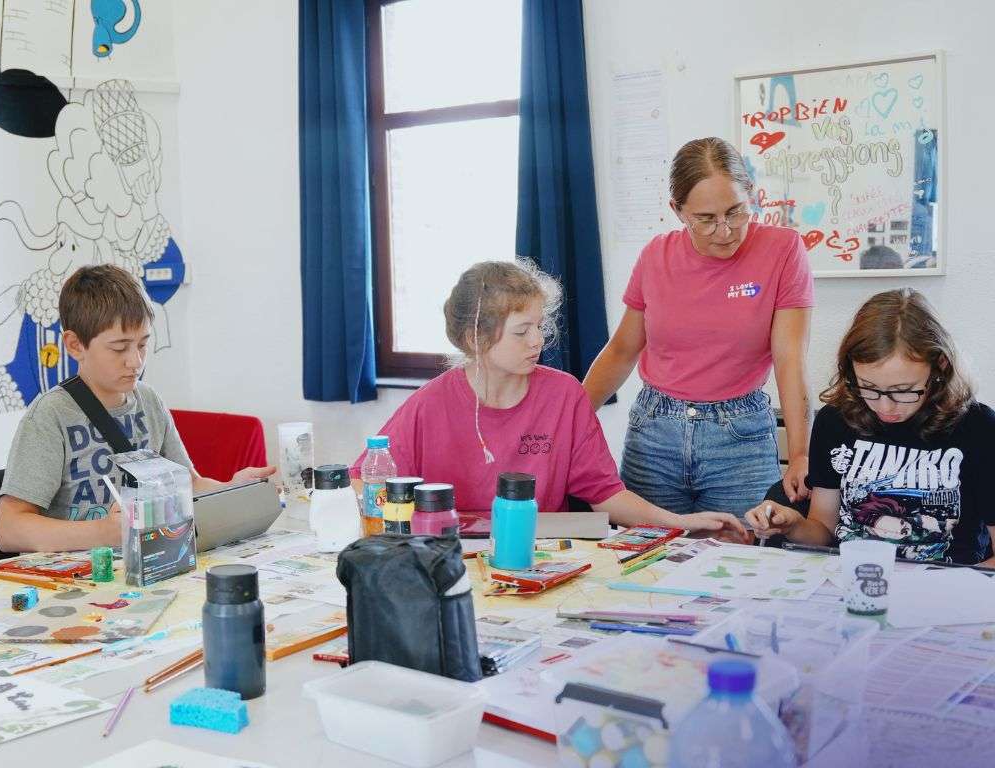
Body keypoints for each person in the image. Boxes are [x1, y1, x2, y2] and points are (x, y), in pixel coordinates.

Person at [351, 260, 748, 537]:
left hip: (542, 557)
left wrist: (679, 522)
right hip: (453, 558)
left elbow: (605, 494)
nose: (539, 340)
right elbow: (362, 482)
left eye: (540, 326)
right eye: (522, 331)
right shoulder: (430, 404)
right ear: (476, 338)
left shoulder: (564, 394)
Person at [582, 137, 814, 518]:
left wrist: (802, 453)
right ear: (678, 211)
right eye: (705, 219)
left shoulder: (783, 250)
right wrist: (566, 422)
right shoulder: (656, 255)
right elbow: (622, 350)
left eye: (736, 211)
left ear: (751, 196)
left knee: (744, 561)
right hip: (654, 434)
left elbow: (790, 358)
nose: (725, 230)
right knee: (650, 558)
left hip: (740, 438)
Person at [0, 264, 275, 553]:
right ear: (75, 345)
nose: (136, 361)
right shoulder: (51, 415)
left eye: (142, 344)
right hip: (82, 578)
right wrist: (103, 531)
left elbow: (188, 484)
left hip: (146, 565)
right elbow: (8, 529)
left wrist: (236, 490)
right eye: (119, 348)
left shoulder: (149, 400)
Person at [746, 289, 995, 566]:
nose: (885, 408)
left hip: (948, 588)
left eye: (903, 391)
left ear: (940, 366)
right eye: (869, 388)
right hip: (853, 581)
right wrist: (792, 525)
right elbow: (824, 532)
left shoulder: (978, 427)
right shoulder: (835, 421)